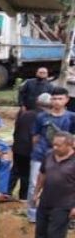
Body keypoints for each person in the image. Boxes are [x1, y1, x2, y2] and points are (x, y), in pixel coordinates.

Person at [26, 131, 75, 238]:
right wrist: (36, 193)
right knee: (40, 232)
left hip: (64, 204)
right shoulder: (49, 155)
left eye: (59, 145)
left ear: (69, 145)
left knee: (55, 235)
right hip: (46, 200)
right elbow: (42, 175)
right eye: (53, 144)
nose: (55, 147)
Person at [28, 88, 75, 223]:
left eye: (60, 99)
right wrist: (36, 150)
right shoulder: (42, 117)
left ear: (66, 100)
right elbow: (35, 136)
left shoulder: (71, 117)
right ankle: (33, 214)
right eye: (54, 98)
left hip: (64, 158)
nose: (56, 102)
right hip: (41, 153)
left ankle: (60, 214)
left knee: (62, 185)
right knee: (34, 183)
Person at [11, 93, 44, 199]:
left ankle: (6, 191)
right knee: (26, 174)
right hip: (29, 149)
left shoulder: (25, 114)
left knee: (15, 171)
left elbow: (16, 130)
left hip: (18, 147)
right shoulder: (43, 117)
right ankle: (23, 196)